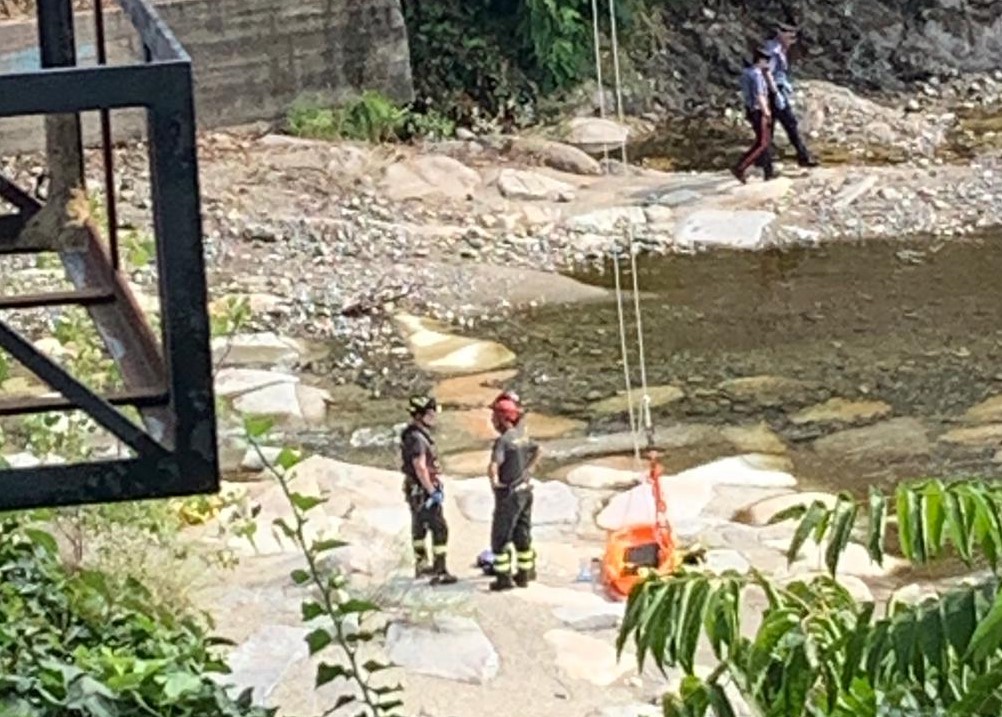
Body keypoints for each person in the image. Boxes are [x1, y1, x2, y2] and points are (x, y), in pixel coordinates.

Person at [400, 395, 457, 585]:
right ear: (420, 415)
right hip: (422, 490)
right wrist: (432, 491)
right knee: (439, 528)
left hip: (415, 489)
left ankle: (422, 565)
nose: (434, 417)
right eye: (430, 414)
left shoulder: (412, 434)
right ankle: (439, 570)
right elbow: (420, 466)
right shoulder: (417, 439)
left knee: (419, 527)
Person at [486, 392, 540, 591]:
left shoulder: (504, 441)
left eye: (494, 417)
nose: (492, 421)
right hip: (526, 492)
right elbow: (537, 450)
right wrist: (529, 470)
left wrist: (495, 482)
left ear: (502, 418)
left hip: (509, 495)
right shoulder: (522, 436)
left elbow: (494, 465)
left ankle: (503, 579)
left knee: (501, 537)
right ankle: (524, 574)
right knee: (522, 533)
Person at [761, 22, 819, 168]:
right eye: (787, 33)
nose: (791, 37)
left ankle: (764, 159)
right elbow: (767, 72)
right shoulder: (773, 50)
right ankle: (802, 156)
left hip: (775, 91)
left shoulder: (780, 49)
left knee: (771, 126)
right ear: (779, 33)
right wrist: (775, 93)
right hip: (773, 92)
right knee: (789, 124)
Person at [731, 48, 775, 184]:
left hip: (749, 109)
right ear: (760, 61)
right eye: (766, 61)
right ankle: (741, 166)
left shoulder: (746, 73)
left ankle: (768, 170)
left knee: (765, 142)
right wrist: (767, 112)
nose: (768, 64)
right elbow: (760, 95)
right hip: (758, 110)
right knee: (762, 143)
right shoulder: (756, 75)